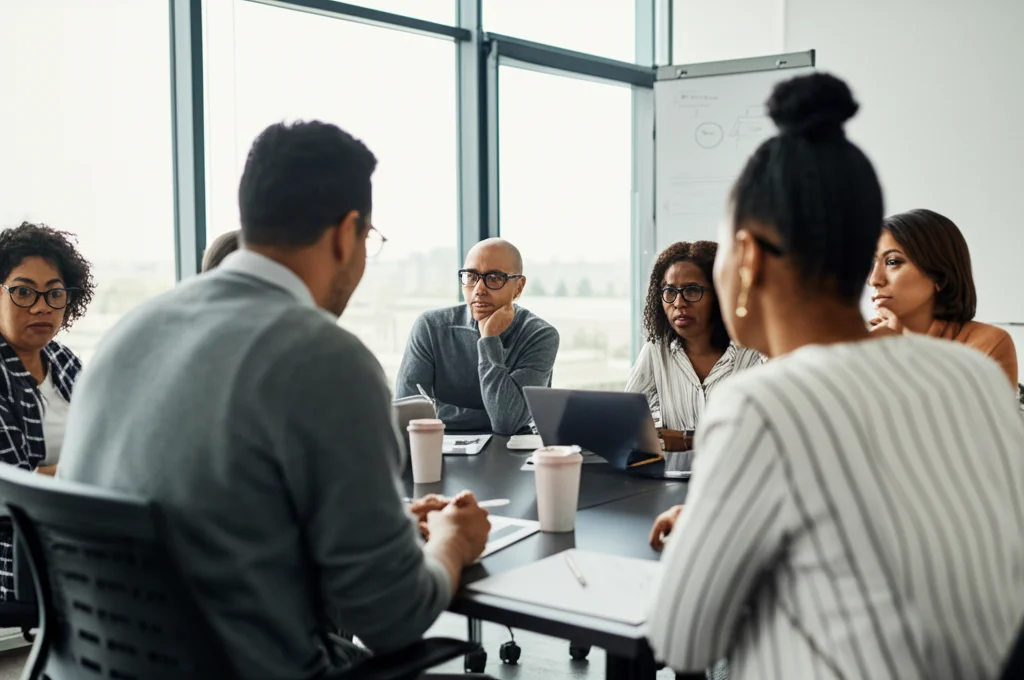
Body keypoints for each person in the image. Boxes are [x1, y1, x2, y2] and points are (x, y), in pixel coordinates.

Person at [58, 120, 491, 679]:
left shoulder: (130, 331)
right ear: (347, 233)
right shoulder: (328, 359)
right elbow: (392, 616)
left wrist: (377, 533)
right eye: (368, 240)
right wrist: (453, 544)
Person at [647, 73, 1024, 680]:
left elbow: (682, 640)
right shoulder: (969, 375)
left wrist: (710, 541)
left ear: (746, 258)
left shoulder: (761, 404)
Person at [0, 222, 94, 600]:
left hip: (78, 529)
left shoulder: (64, 360)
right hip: (18, 550)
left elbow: (105, 444)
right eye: (23, 292)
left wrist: (58, 474)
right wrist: (89, 471)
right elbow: (16, 486)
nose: (41, 306)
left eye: (54, 294)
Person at [395, 238, 559, 435]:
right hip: (438, 451)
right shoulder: (431, 327)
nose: (479, 290)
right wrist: (488, 416)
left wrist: (489, 340)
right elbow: (407, 413)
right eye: (471, 277)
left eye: (494, 278)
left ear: (519, 287)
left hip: (511, 457)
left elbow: (507, 421)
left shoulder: (540, 335)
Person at [625, 241, 761, 450]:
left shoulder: (755, 352)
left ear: (719, 294)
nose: (678, 302)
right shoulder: (656, 350)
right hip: (672, 479)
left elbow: (763, 434)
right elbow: (626, 418)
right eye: (670, 291)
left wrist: (685, 439)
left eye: (691, 290)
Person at [869, 208, 1018, 387]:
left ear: (939, 276)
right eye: (869, 264)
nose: (874, 280)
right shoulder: (857, 344)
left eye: (893, 262)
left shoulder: (987, 345)